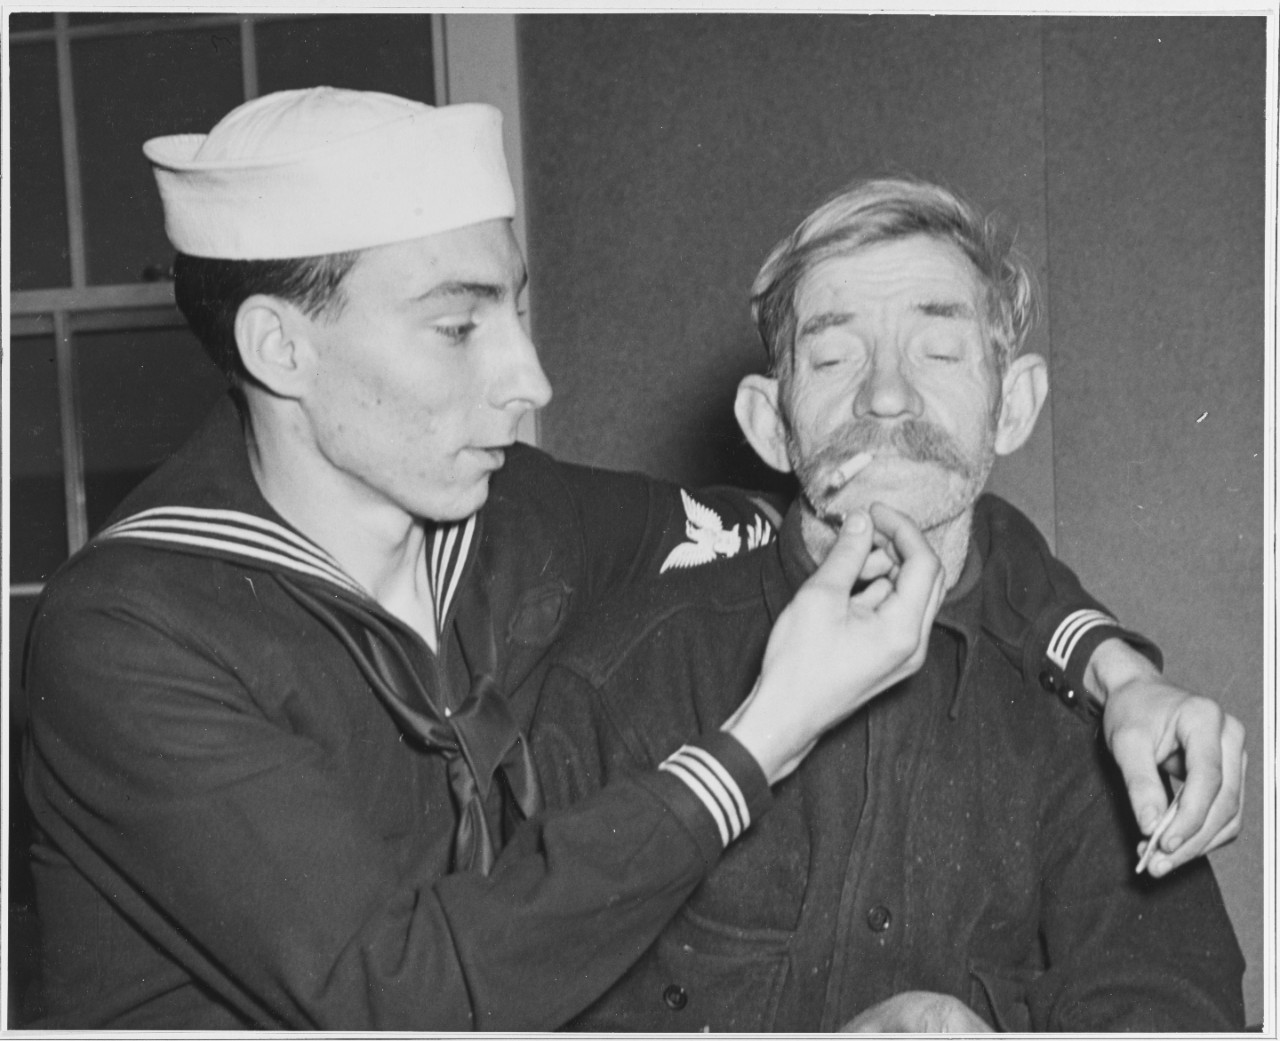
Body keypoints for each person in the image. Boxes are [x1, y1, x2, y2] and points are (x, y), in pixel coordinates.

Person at [17, 90, 1239, 1030]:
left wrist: (1113, 669)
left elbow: (870, 512)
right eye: (457, 326)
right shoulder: (133, 635)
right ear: (281, 348)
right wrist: (764, 732)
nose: (531, 380)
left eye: (516, 309)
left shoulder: (510, 518)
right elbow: (405, 999)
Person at [530, 177, 1246, 1032]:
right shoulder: (621, 679)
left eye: (938, 354)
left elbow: (1172, 1003)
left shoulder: (1098, 725)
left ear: (1011, 406)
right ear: (769, 423)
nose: (887, 397)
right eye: (834, 359)